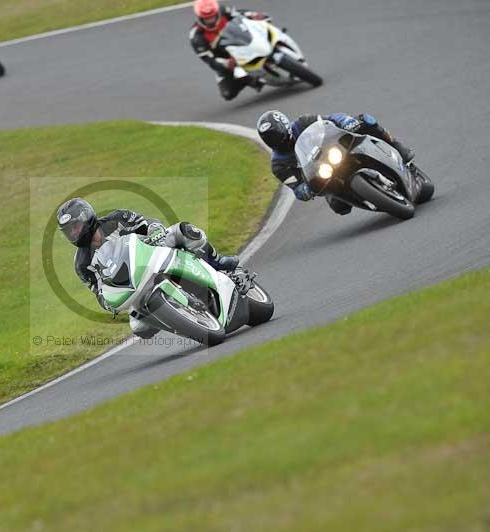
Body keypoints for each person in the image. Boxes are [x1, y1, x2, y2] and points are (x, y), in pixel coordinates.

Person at [56, 198, 239, 337]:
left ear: (87, 218)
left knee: (184, 230)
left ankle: (217, 261)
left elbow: (147, 223)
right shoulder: (81, 263)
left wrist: (155, 230)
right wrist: (109, 303)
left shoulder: (118, 218)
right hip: (134, 285)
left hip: (154, 252)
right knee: (140, 327)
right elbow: (98, 290)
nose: (73, 233)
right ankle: (185, 319)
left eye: (75, 227)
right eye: (68, 231)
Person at [256, 110, 416, 215]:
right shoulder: (278, 165)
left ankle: (397, 147)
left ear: (286, 128)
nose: (278, 142)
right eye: (271, 140)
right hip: (324, 175)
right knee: (339, 207)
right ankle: (376, 199)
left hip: (338, 150)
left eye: (278, 137)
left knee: (366, 121)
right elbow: (295, 188)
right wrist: (305, 190)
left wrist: (346, 122)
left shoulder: (303, 122)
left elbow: (331, 119)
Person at [189, 0, 270, 101]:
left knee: (264, 23)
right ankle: (252, 80)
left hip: (245, 41)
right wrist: (226, 64)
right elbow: (209, 60)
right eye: (207, 19)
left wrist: (254, 15)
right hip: (227, 59)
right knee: (227, 93)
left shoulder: (224, 11)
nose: (211, 21)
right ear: (200, 18)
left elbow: (240, 14)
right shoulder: (196, 36)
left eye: (213, 16)